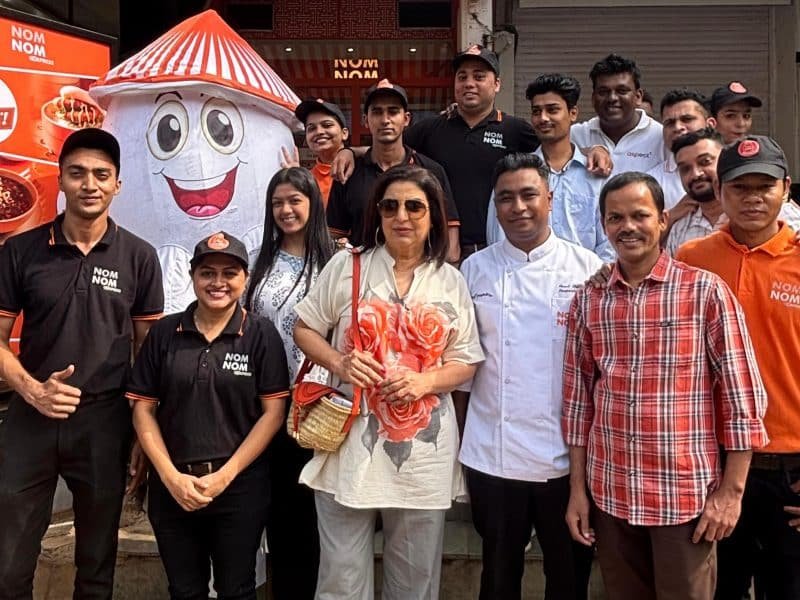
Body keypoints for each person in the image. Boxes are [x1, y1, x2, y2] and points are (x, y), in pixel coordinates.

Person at [562, 171, 768, 599]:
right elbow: (578, 403)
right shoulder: (590, 299)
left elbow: (742, 398)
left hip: (683, 500)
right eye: (615, 218)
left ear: (662, 220)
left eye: (640, 215)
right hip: (612, 494)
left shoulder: (705, 292)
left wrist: (731, 494)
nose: (628, 227)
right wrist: (578, 492)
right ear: (604, 225)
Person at [293, 165, 484, 599]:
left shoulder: (450, 280)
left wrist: (425, 381)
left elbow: (466, 361)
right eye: (390, 206)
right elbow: (304, 328)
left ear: (433, 216)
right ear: (377, 213)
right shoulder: (348, 266)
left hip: (423, 455)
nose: (402, 216)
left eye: (415, 206)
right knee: (341, 580)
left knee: (414, 582)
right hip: (348, 443)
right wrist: (340, 362)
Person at [0, 128, 164, 598]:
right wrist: (33, 390)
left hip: (103, 422)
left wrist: (142, 431)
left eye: (101, 174)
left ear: (117, 185)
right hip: (30, 418)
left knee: (96, 565)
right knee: (8, 565)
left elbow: (146, 354)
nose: (89, 184)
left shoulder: (139, 257)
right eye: (77, 173)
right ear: (61, 180)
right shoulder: (20, 251)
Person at [458, 153, 600, 600]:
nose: (518, 207)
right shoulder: (472, 270)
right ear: (494, 205)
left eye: (528, 195)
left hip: (566, 458)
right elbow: (463, 368)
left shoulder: (587, 270)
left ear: (549, 199)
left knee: (568, 579)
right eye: (506, 198)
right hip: (492, 454)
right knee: (498, 579)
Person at [333, 45, 612, 259]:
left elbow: (553, 144)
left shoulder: (515, 130)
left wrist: (592, 149)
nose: (469, 83)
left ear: (496, 84)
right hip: (441, 252)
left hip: (497, 249)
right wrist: (350, 153)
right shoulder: (432, 129)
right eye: (462, 77)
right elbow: (390, 144)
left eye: (479, 77)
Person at [128, 231, 289, 599]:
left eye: (229, 273)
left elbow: (273, 414)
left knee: (237, 589)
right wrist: (170, 477)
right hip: (173, 487)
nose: (218, 283)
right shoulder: (165, 332)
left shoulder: (260, 335)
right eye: (207, 273)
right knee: (184, 590)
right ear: (192, 276)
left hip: (239, 487)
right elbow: (144, 409)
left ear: (245, 278)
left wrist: (224, 477)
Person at [674, 136, 800, 600]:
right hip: (713, 463)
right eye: (740, 187)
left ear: (786, 189)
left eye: (764, 186)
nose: (752, 198)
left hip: (791, 470)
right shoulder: (692, 260)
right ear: (719, 192)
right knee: (718, 590)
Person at [245, 167, 334, 599]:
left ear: (313, 203)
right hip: (263, 403)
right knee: (275, 510)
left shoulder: (335, 263)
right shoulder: (256, 261)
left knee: (311, 514)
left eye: (295, 200)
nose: (286, 210)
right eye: (277, 202)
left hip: (317, 407)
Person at [326, 79, 460, 261]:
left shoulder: (430, 171)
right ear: (366, 120)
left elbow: (450, 240)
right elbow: (334, 236)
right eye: (377, 112)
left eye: (393, 111)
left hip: (417, 273)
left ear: (406, 119)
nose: (385, 120)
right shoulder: (349, 172)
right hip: (362, 274)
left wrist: (439, 272)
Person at [485, 73, 613, 261]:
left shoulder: (596, 174)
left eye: (552, 110)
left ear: (573, 113)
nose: (543, 118)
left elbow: (610, 240)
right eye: (536, 111)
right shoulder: (515, 175)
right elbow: (498, 236)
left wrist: (597, 273)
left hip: (588, 276)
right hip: (523, 275)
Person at [570, 54, 665, 176]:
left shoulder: (661, 137)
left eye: (622, 91)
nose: (612, 98)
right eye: (603, 92)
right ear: (593, 98)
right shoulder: (576, 135)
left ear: (638, 97)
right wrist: (584, 151)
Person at [646, 88, 712, 212]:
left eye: (687, 119)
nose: (677, 127)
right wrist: (673, 216)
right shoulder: (651, 183)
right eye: (670, 123)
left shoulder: (732, 169)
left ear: (710, 124)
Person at [665, 127, 727, 255]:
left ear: (726, 159)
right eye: (685, 169)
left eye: (705, 162)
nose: (695, 174)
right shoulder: (679, 230)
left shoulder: (749, 216)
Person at [294, 98, 350, 206]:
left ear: (344, 133)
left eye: (327, 125)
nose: (319, 132)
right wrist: (293, 182)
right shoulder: (307, 179)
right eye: (311, 128)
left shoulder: (361, 170)